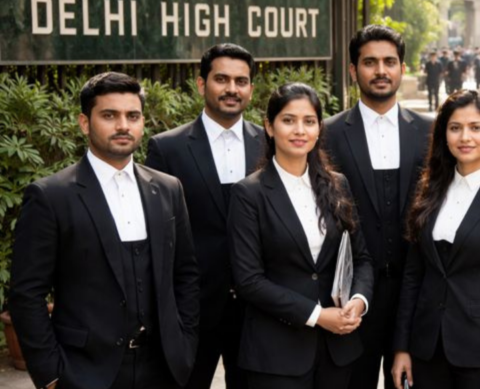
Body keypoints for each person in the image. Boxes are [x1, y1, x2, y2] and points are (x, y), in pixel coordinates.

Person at [10, 72, 200, 389]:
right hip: (84, 374)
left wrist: (186, 344)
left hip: (164, 370)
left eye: (133, 116)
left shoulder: (168, 189)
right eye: (109, 115)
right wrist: (51, 374)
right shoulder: (50, 195)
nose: (123, 125)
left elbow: (186, 274)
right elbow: (26, 294)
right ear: (85, 123)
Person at [228, 83, 374, 388]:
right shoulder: (248, 193)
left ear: (319, 128)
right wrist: (318, 315)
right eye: (288, 120)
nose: (299, 130)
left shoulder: (338, 185)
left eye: (309, 121)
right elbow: (249, 281)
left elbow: (361, 259)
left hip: (338, 351)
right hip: (276, 353)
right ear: (269, 126)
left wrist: (358, 301)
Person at [391, 89, 480, 389]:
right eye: (455, 128)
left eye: (476, 128)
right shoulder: (429, 192)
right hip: (427, 348)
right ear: (444, 135)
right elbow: (413, 276)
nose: (465, 137)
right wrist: (402, 346)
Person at [145, 43, 264, 389]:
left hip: (256, 311)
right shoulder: (166, 148)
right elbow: (159, 237)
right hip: (192, 310)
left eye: (241, 81)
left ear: (251, 89)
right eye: (222, 79)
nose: (232, 89)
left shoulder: (269, 145)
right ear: (201, 84)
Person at [325, 25, 433, 389]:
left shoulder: (432, 132)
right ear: (354, 71)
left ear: (403, 68)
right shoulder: (327, 134)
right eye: (370, 62)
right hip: (350, 297)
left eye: (390, 61)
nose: (381, 70)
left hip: (417, 296)